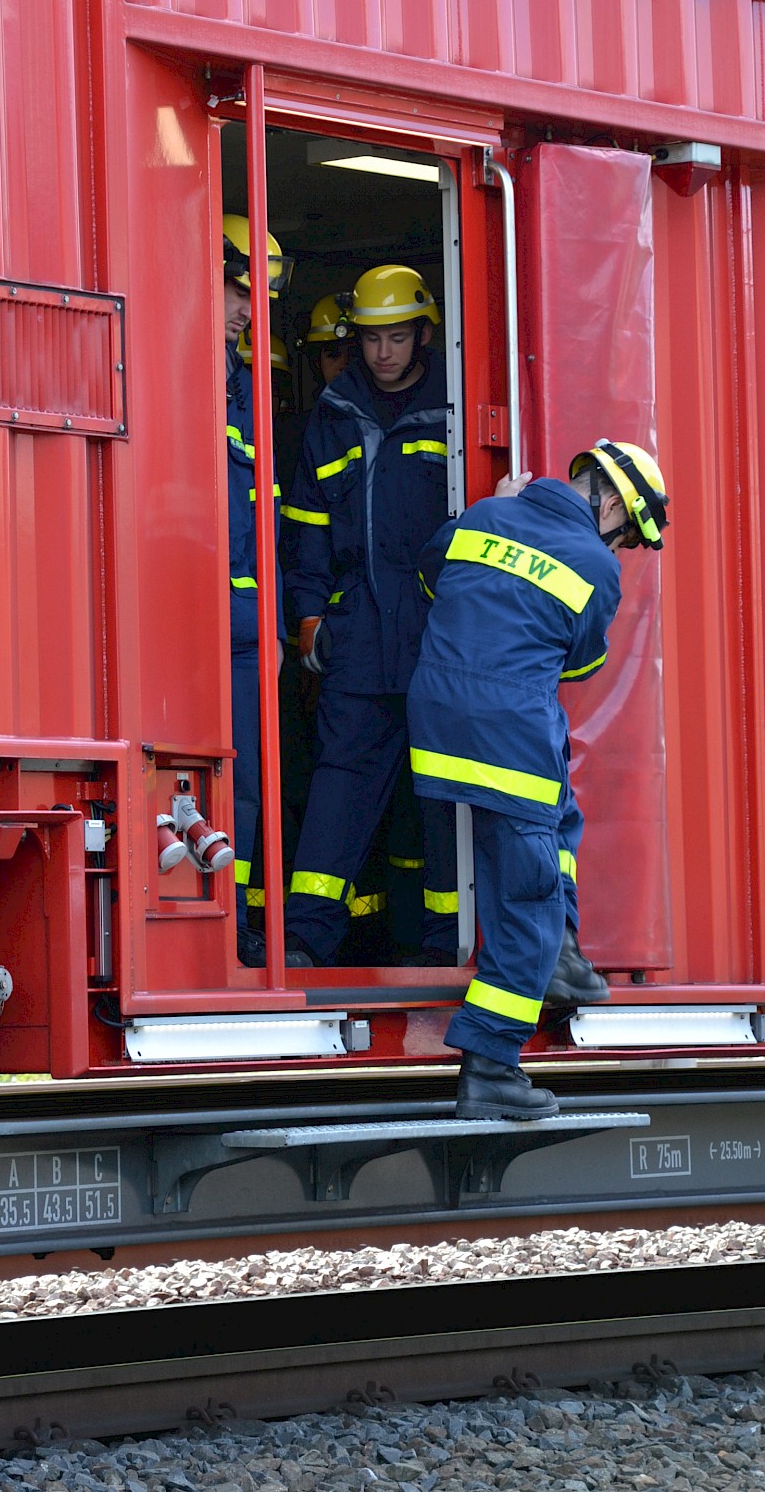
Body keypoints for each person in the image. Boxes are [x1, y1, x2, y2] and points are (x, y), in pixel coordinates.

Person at [408, 440, 669, 1119]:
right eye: (626, 532)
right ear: (611, 502)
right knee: (526, 902)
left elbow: (431, 577)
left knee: (561, 815)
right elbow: (577, 668)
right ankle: (493, 1064)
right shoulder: (594, 564)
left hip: (436, 723)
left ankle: (564, 953)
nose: (622, 546)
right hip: (507, 729)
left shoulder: (488, 514)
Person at [279, 264, 449, 967]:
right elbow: (306, 531)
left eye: (397, 337)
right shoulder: (332, 413)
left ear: (423, 335)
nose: (383, 353)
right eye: (372, 339)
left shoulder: (454, 405)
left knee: (441, 806)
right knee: (337, 797)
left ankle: (445, 948)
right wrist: (310, 618)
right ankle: (303, 944)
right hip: (357, 643)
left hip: (438, 643)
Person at [221, 214, 307, 970]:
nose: (251, 310)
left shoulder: (245, 384)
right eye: (239, 291)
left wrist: (276, 625)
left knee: (248, 784)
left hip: (251, 622)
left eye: (259, 297)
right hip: (195, 616)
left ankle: (236, 926)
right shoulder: (176, 372)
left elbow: (264, 513)